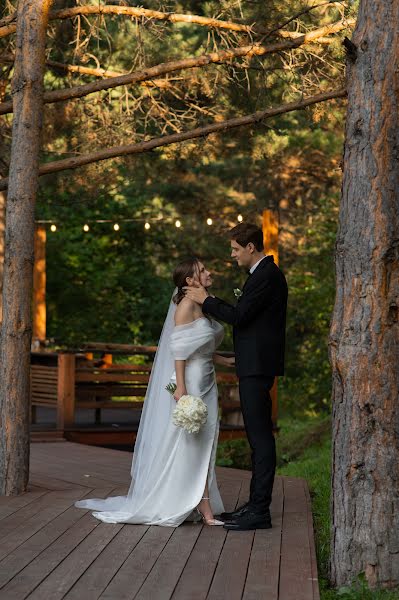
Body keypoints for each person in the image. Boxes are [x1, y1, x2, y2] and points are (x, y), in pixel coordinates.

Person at [75, 257, 233, 526]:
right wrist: (181, 387)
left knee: (206, 441)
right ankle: (200, 505)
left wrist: (223, 360)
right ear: (189, 281)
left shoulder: (202, 305)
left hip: (207, 379)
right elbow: (179, 352)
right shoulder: (185, 308)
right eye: (202, 271)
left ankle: (198, 499)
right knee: (194, 444)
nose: (209, 273)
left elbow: (199, 346)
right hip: (192, 382)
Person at [184, 223, 288, 531]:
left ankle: (260, 511)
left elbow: (240, 317)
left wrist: (206, 300)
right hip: (252, 365)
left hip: (258, 368)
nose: (232, 255)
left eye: (235, 249)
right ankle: (254, 506)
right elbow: (252, 323)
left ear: (251, 248)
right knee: (257, 438)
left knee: (260, 438)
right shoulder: (260, 276)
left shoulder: (267, 275)